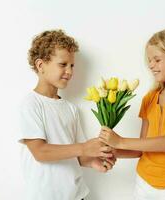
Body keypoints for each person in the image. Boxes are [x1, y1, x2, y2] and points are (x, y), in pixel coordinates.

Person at [99, 27, 165, 200]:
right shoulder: (150, 98)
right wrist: (113, 151)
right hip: (143, 184)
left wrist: (119, 141)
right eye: (149, 60)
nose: (151, 65)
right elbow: (140, 149)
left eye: (157, 59)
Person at [18, 29, 115, 200]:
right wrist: (85, 148)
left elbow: (73, 155)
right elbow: (40, 152)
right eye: (63, 64)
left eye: (72, 65)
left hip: (78, 195)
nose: (69, 71)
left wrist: (91, 161)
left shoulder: (70, 109)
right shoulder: (31, 104)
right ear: (41, 65)